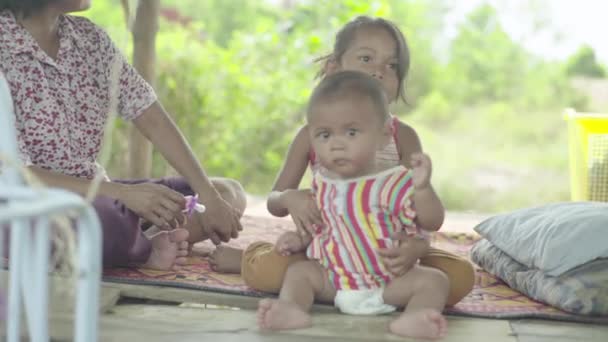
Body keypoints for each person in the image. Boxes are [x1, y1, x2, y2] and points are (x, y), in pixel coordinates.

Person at [209, 15, 474, 307]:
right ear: (334, 67)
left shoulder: (402, 136)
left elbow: (424, 217)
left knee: (460, 276)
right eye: (366, 59)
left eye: (392, 65)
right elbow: (274, 201)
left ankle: (361, 292)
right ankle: (249, 256)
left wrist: (417, 247)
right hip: (327, 252)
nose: (379, 72)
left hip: (389, 257)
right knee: (271, 271)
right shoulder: (312, 135)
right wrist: (290, 199)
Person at [0, 0, 246, 270]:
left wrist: (208, 195)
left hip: (100, 195)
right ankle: (144, 246)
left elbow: (152, 118)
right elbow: (16, 174)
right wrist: (122, 194)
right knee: (97, 220)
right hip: (25, 210)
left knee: (227, 193)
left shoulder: (90, 39)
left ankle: (139, 240)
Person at [258, 70, 449, 339]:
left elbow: (432, 221)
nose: (336, 144)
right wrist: (298, 240)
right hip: (335, 281)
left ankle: (416, 317)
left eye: (351, 132)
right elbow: (317, 227)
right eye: (324, 135)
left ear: (383, 135)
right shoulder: (321, 185)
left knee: (434, 281)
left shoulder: (394, 182)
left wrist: (423, 188)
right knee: (299, 272)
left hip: (389, 281)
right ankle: (291, 308)